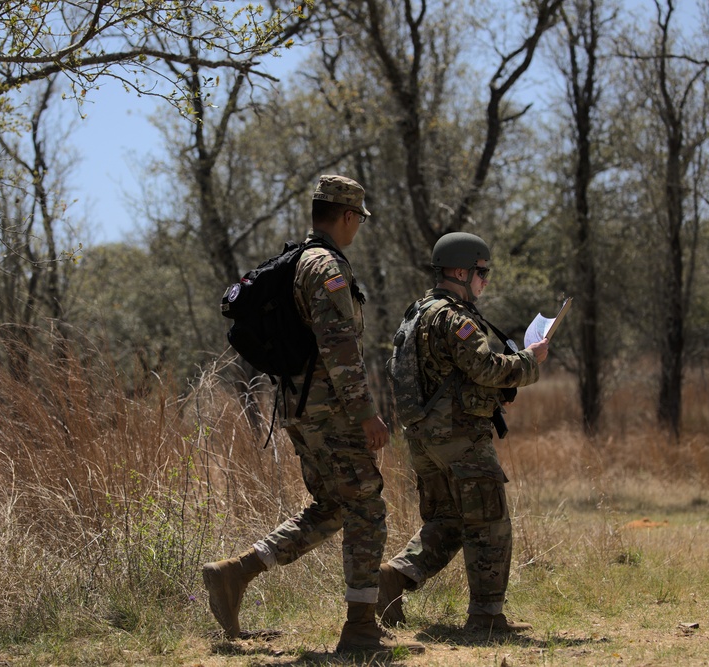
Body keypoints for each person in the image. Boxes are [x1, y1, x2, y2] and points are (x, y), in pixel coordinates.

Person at [202, 175, 424, 654]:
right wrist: (366, 412)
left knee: (335, 505)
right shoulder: (326, 267)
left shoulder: (298, 259)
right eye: (358, 220)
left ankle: (235, 573)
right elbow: (339, 346)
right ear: (347, 217)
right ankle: (361, 627)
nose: (358, 228)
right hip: (331, 410)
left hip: (300, 407)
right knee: (366, 506)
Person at [378, 232, 549, 633]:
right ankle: (487, 617)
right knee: (490, 522)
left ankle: (394, 577)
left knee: (449, 523)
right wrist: (529, 360)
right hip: (458, 439)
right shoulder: (454, 317)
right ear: (460, 271)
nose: (485, 281)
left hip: (422, 441)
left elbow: (450, 376)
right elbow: (485, 367)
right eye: (481, 272)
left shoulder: (416, 313)